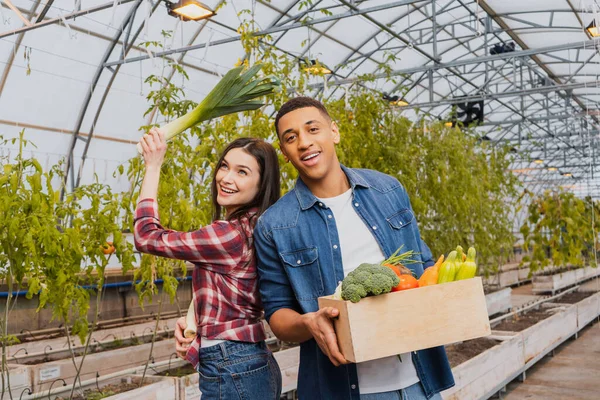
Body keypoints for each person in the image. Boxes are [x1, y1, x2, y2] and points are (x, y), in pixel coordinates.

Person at [254, 97, 455, 400]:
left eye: (313, 129)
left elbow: (423, 262)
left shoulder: (388, 190)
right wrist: (309, 322)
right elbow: (277, 312)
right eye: (291, 138)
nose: (305, 143)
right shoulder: (274, 224)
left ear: (333, 131)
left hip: (418, 382)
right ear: (284, 152)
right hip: (343, 390)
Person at [134, 128, 282, 400]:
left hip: (233, 366)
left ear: (262, 185)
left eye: (242, 172)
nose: (226, 178)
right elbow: (229, 291)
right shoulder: (255, 228)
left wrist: (153, 165)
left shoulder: (231, 235)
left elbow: (146, 236)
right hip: (248, 362)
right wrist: (195, 324)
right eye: (224, 166)